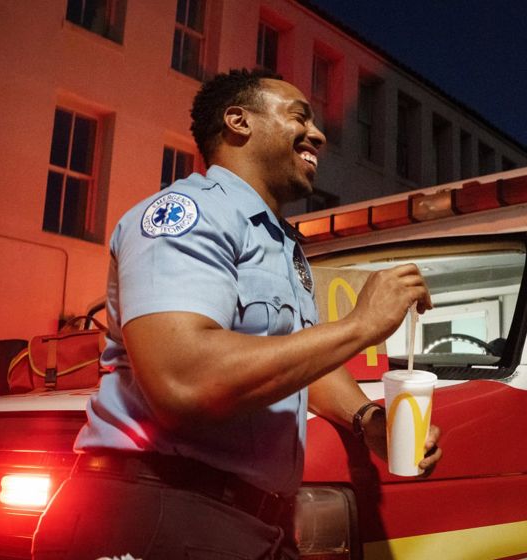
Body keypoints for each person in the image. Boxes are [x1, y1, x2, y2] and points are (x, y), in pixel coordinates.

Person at [32, 68, 441, 560]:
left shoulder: (276, 241)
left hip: (248, 522)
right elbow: (182, 379)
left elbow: (289, 363)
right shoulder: (186, 213)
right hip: (165, 510)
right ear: (238, 122)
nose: (318, 134)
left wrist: (367, 419)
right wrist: (360, 325)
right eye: (298, 117)